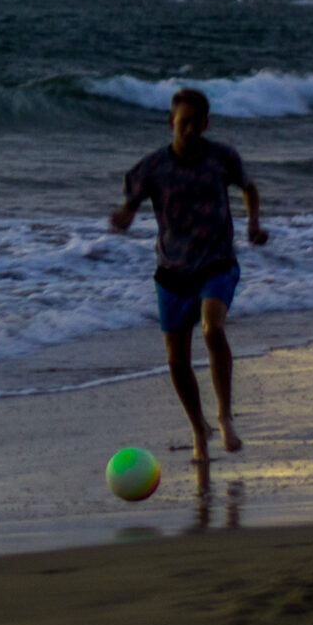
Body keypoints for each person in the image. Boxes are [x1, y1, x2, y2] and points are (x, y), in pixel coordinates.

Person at [107, 86, 265, 492]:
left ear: (207, 123)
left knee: (213, 330)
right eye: (184, 122)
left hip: (217, 263)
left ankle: (225, 415)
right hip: (172, 271)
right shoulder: (153, 167)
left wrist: (251, 224)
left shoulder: (222, 157)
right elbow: (131, 200)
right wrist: (124, 214)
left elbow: (248, 187)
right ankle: (199, 429)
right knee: (176, 362)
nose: (191, 129)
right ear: (171, 123)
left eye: (198, 122)